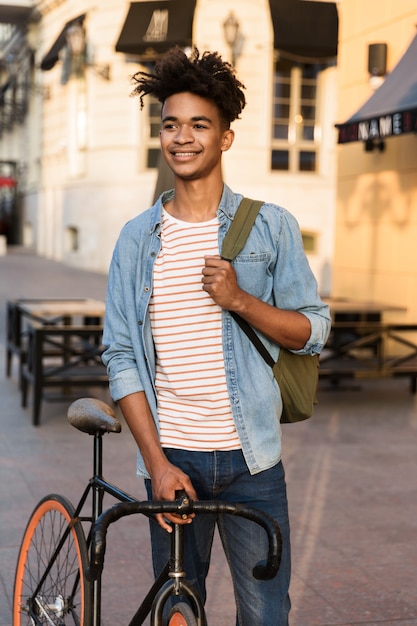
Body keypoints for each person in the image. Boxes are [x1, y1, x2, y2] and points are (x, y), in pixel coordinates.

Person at [102, 46, 331, 626]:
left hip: (253, 461)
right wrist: (156, 463)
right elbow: (121, 353)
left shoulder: (272, 226)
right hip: (172, 458)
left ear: (225, 138)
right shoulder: (136, 240)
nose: (183, 138)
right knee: (178, 611)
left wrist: (240, 301)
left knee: (264, 614)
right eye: (171, 124)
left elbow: (314, 331)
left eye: (199, 125)